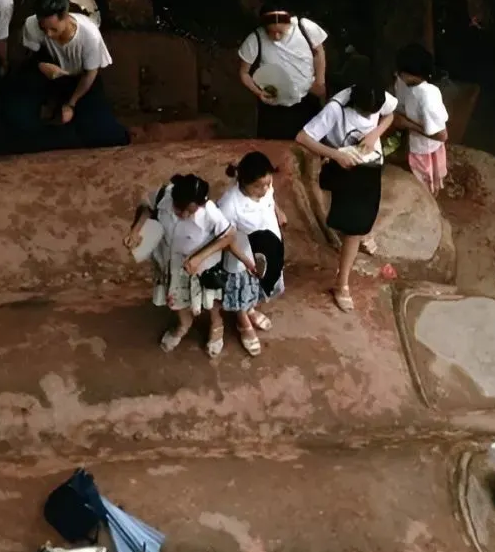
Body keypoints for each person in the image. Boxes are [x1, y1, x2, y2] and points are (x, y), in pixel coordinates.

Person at [296, 78, 398, 313]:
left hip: (370, 164)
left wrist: (374, 134)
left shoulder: (377, 95)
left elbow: (390, 115)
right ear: (354, 102)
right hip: (343, 165)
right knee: (353, 228)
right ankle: (342, 285)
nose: (370, 115)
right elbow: (303, 137)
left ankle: (362, 233)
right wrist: (335, 155)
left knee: (364, 216)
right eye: (365, 112)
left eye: (373, 112)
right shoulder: (336, 108)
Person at [125, 172, 252, 356]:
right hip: (171, 263)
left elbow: (229, 236)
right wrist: (135, 231)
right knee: (175, 296)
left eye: (190, 211)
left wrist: (199, 258)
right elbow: (147, 208)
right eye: (179, 209)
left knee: (209, 301)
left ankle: (217, 324)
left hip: (201, 268)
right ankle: (184, 323)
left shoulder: (210, 212)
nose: (184, 214)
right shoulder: (163, 196)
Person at [12, 0, 129, 150]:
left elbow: (90, 74)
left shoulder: (90, 35)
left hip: (79, 78)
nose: (48, 34)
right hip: (50, 73)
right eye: (43, 28)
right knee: (18, 115)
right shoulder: (32, 24)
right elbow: (29, 55)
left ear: (66, 17)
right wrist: (40, 65)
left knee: (102, 132)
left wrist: (71, 104)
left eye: (53, 29)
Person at [217, 152, 287, 358]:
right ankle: (243, 322)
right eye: (258, 186)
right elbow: (224, 239)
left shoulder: (265, 188)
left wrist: (278, 210)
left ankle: (250, 309)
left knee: (258, 287)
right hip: (243, 258)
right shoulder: (229, 205)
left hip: (267, 250)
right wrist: (246, 261)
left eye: (267, 183)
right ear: (243, 181)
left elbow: (270, 197)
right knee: (242, 289)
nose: (264, 189)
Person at [238, 3, 328, 139]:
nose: (276, 36)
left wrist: (320, 81)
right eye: (271, 32)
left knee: (310, 143)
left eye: (280, 31)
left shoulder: (305, 28)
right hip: (274, 106)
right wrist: (258, 92)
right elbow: (244, 73)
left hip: (306, 99)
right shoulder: (256, 39)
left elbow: (319, 52)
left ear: (289, 23)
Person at [391, 43, 450, 196]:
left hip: (426, 149)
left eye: (400, 72)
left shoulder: (427, 96)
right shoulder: (406, 85)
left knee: (424, 185)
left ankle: (429, 202)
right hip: (419, 145)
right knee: (428, 180)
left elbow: (442, 135)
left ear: (411, 74)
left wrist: (407, 124)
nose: (397, 74)